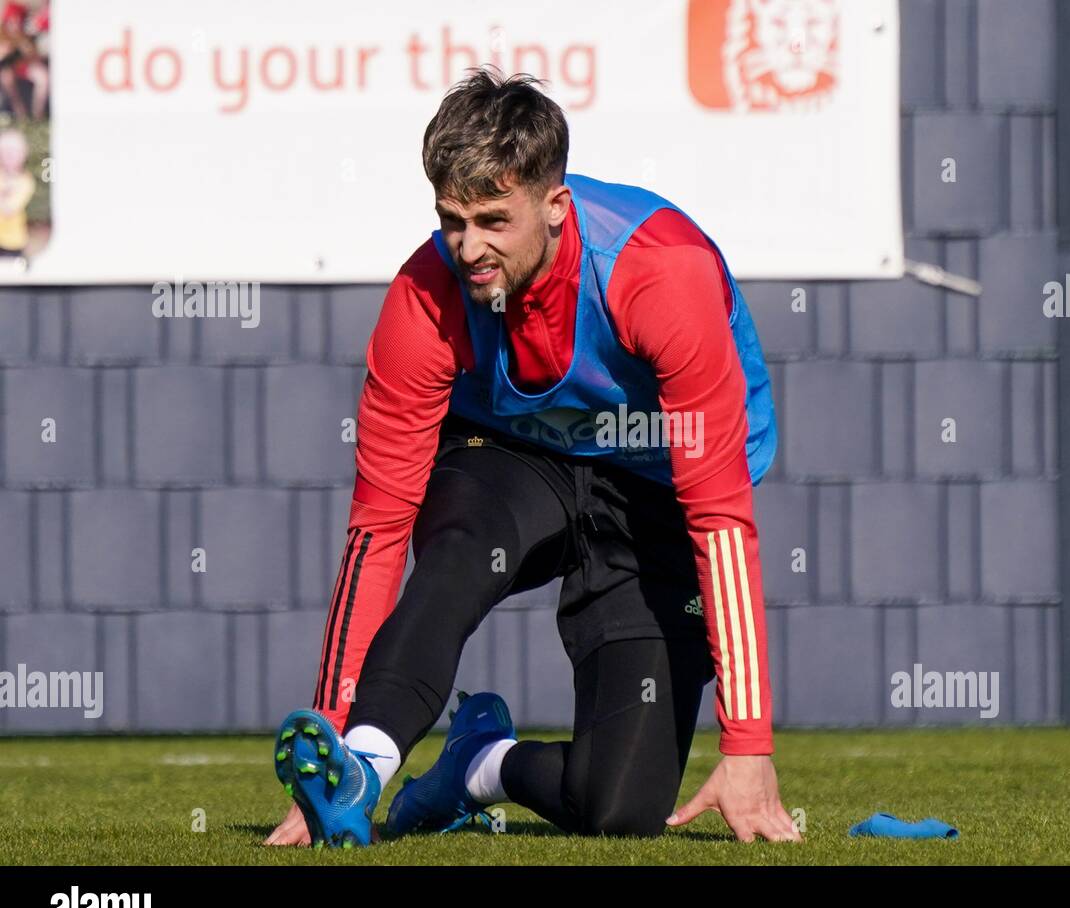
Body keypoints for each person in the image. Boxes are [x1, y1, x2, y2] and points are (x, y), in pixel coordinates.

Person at [266, 66, 800, 848]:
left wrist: (748, 747)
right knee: (453, 552)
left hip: (651, 486)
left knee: (621, 811)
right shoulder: (424, 297)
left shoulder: (660, 275)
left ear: (556, 207)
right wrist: (327, 755)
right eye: (451, 219)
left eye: (492, 220)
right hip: (515, 458)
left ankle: (479, 763)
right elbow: (376, 533)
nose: (468, 247)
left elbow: (719, 523)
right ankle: (364, 768)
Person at [0, 127, 33, 257]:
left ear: (23, 154)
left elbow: (9, 209)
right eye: (5, 152)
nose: (9, 156)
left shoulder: (25, 181)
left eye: (14, 152)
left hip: (12, 244)